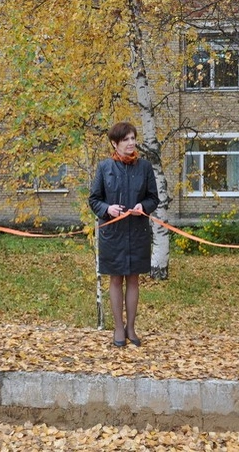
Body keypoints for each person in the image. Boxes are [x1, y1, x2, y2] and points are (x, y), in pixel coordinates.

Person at [88, 122, 159, 348]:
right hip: (113, 233)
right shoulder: (104, 167)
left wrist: (143, 206)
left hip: (137, 232)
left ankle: (131, 327)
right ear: (114, 143)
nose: (131, 143)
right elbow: (94, 199)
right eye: (126, 139)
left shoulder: (144, 167)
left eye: (133, 138)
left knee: (134, 279)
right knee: (116, 279)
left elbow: (153, 198)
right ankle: (118, 328)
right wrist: (107, 209)